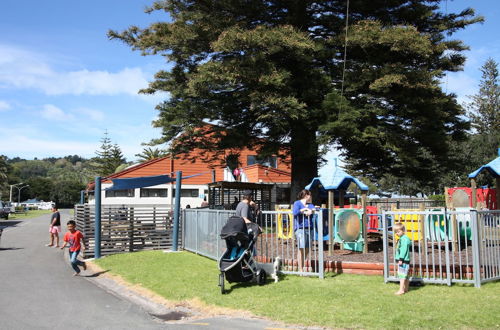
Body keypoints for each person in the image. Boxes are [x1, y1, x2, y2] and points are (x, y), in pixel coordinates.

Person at [292, 189, 315, 273]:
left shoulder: (310, 204)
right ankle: (301, 269)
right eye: (310, 195)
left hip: (310, 228)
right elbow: (295, 213)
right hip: (300, 228)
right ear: (306, 196)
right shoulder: (297, 203)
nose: (311, 197)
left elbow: (314, 209)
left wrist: (311, 210)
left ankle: (302, 265)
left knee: (307, 248)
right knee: (301, 248)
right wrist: (303, 210)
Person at [394, 222, 411, 295]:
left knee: (402, 276)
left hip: (403, 261)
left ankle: (401, 290)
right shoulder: (405, 238)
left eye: (398, 231)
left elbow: (403, 250)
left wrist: (401, 259)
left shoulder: (403, 239)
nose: (397, 233)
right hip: (406, 260)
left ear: (403, 230)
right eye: (396, 232)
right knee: (405, 276)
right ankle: (406, 289)